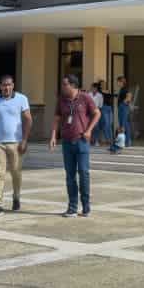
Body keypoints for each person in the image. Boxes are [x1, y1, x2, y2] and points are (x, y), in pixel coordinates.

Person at [0, 74, 32, 216]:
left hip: (16, 143)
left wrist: (25, 140)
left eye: (9, 85)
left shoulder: (22, 99)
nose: (7, 87)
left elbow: (28, 120)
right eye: (4, 85)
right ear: (0, 86)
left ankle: (16, 197)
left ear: (13, 85)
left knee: (16, 173)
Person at [49, 74, 98, 217]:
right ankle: (72, 207)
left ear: (73, 85)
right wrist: (53, 136)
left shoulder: (85, 98)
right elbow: (57, 119)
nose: (63, 86)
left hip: (81, 141)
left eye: (65, 84)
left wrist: (89, 130)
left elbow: (97, 113)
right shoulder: (61, 100)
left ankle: (86, 206)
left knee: (84, 173)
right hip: (66, 143)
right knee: (70, 176)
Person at [110, 75, 132, 153]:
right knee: (125, 124)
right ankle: (127, 142)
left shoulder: (126, 88)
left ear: (121, 82)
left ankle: (121, 143)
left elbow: (129, 97)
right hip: (121, 107)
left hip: (123, 107)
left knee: (123, 124)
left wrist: (123, 103)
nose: (117, 83)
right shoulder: (122, 89)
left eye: (118, 82)